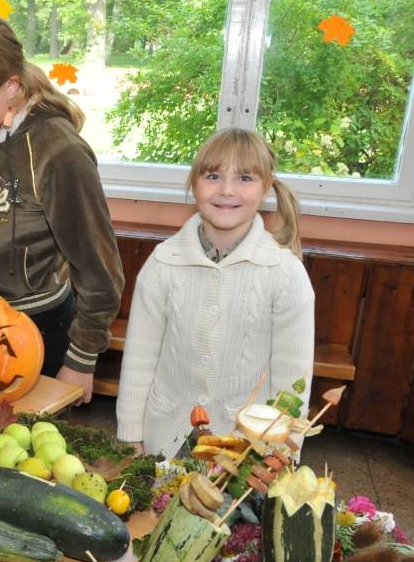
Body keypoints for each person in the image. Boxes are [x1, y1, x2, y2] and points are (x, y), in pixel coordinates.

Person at [0, 14, 124, 402]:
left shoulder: (60, 153)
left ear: (12, 86)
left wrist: (82, 358)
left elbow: (100, 272)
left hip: (32, 329)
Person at [116, 128, 315, 458]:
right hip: (163, 439)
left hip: (247, 452)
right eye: (213, 175)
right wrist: (130, 437)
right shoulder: (163, 263)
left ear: (266, 187)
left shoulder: (285, 274)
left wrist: (281, 455)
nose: (227, 190)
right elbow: (139, 360)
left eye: (245, 178)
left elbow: (293, 380)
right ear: (195, 183)